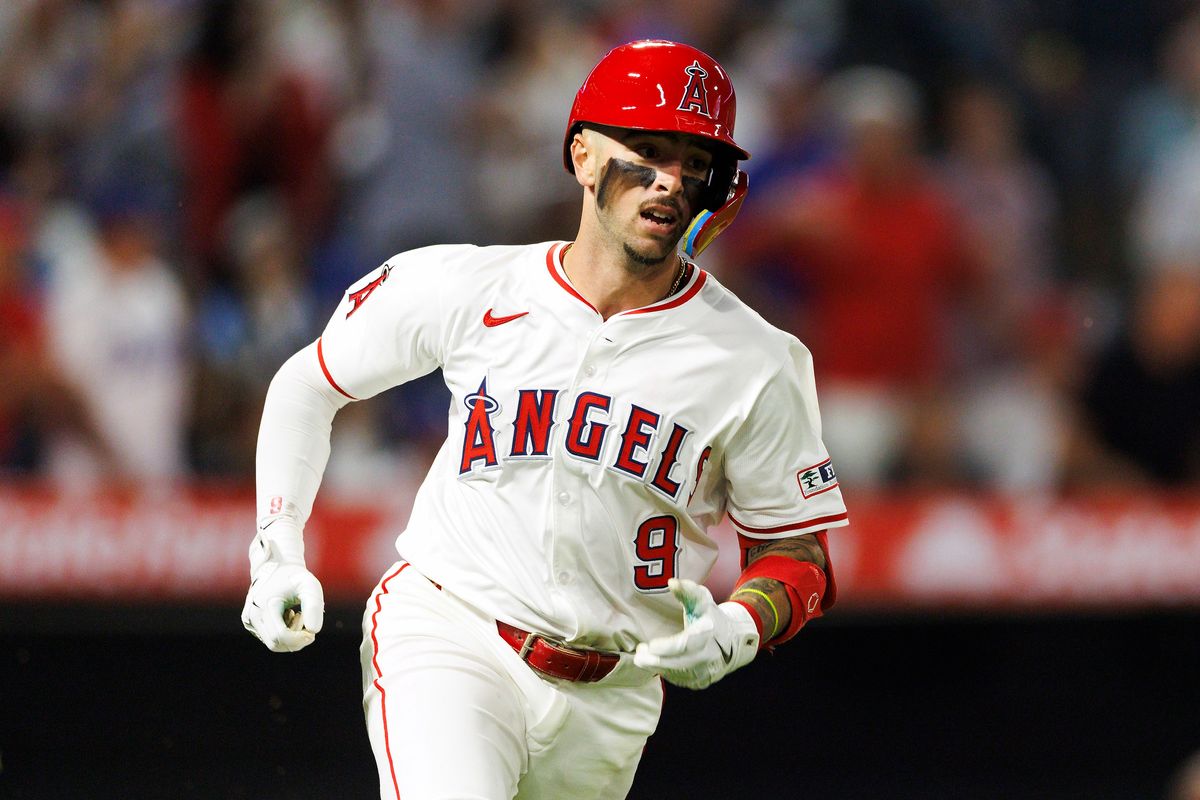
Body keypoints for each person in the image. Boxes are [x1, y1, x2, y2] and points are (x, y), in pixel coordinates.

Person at [242, 40, 848, 800]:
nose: (671, 181)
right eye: (649, 150)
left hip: (617, 696)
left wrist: (740, 628)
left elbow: (799, 554)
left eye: (695, 163)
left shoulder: (756, 359)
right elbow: (309, 383)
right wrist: (276, 549)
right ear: (585, 155)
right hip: (452, 633)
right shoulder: (470, 285)